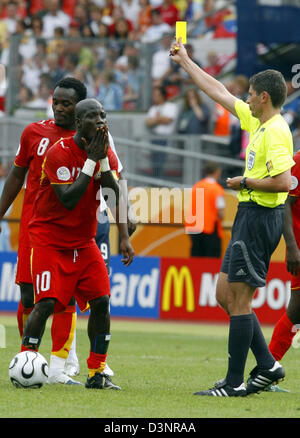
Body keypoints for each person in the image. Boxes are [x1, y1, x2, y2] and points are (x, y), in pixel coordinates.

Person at [170, 39, 295, 397]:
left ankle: (234, 382)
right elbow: (219, 91)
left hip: (259, 216)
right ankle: (269, 365)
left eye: (251, 94)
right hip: (248, 215)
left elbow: (284, 183)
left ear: (264, 98)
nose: (247, 97)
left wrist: (245, 181)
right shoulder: (259, 122)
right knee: (225, 294)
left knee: (239, 299)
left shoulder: (274, 131)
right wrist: (187, 63)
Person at [0, 77, 114, 383]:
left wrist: (121, 220)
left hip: (78, 231)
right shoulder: (35, 133)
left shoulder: (99, 137)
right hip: (35, 228)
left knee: (64, 300)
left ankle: (61, 364)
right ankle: (29, 360)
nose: (59, 109)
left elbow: (113, 183)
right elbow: (15, 176)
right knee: (29, 297)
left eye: (66, 104)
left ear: (80, 109)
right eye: (56, 102)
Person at [21, 98, 134, 390]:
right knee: (45, 302)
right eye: (94, 117)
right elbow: (69, 199)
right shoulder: (58, 154)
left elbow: (111, 196)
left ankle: (96, 372)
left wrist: (123, 236)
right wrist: (90, 161)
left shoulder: (103, 149)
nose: (100, 121)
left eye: (103, 115)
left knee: (102, 301)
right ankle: (27, 361)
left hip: (83, 243)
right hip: (49, 240)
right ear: (79, 123)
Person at [185, 162, 224, 258]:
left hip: (194, 227)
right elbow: (221, 211)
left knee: (196, 256)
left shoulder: (197, 186)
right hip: (210, 228)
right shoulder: (217, 189)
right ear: (217, 172)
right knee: (211, 259)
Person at [145, 85, 178, 177]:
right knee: (154, 162)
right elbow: (148, 122)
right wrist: (160, 119)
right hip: (155, 138)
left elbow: (168, 120)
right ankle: (155, 181)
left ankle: (160, 181)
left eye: (157, 95)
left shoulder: (171, 106)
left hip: (165, 138)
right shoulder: (153, 108)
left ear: (162, 95)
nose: (154, 97)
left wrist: (156, 119)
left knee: (162, 162)